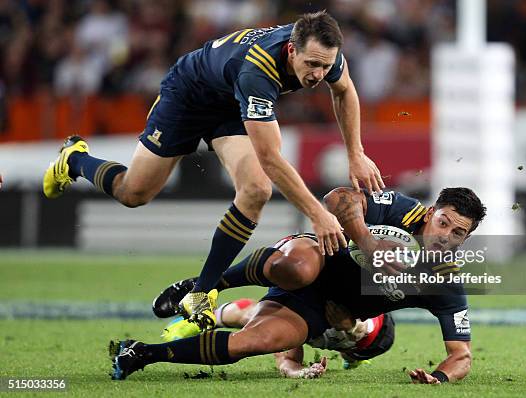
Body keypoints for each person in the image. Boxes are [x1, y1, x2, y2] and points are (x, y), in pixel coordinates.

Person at [42, 11, 384, 329]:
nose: (317, 75)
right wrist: (317, 214)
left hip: (232, 105)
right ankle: (73, 158)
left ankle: (200, 294)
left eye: (324, 67)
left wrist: (356, 153)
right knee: (134, 193)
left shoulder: (327, 54)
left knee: (256, 191)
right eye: (311, 65)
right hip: (189, 97)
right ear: (292, 50)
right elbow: (270, 159)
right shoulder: (258, 70)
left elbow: (344, 91)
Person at [109, 186, 486, 384]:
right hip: (311, 254)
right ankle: (207, 284)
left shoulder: (444, 281)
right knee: (299, 268)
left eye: (458, 233)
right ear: (432, 211)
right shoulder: (401, 209)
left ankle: (141, 354)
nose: (446, 236)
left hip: (314, 310)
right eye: (443, 222)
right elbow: (337, 198)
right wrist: (369, 245)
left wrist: (437, 378)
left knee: (254, 342)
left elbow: (461, 356)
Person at [159, 297, 395, 378]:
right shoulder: (357, 322)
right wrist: (353, 327)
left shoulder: (359, 334)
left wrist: (299, 371)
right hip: (302, 298)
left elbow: (288, 362)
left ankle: (355, 357)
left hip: (339, 329)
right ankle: (198, 318)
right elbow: (363, 327)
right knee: (255, 317)